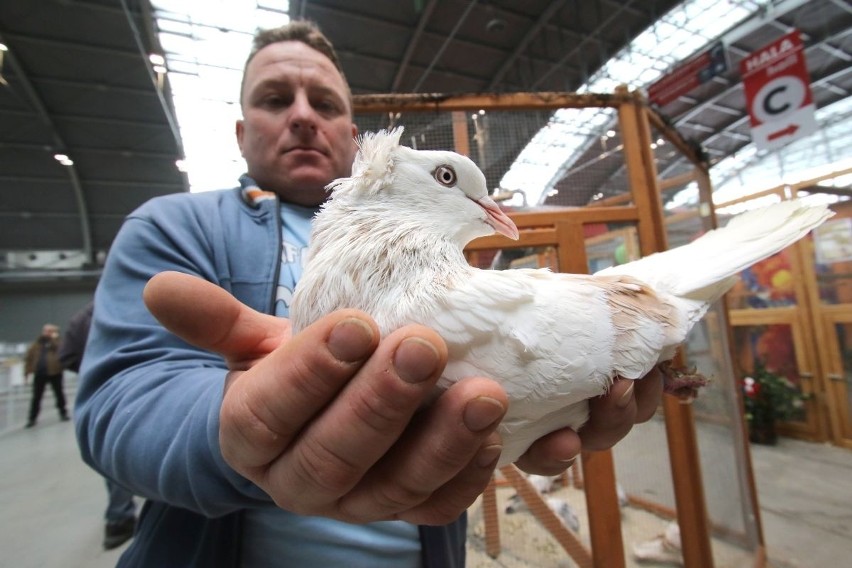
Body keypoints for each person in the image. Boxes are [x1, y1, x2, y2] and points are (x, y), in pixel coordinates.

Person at [74, 20, 662, 567]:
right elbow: (114, 404)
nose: (303, 116)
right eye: (276, 99)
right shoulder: (172, 225)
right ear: (240, 130)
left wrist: (548, 410)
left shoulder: (438, 238)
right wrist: (236, 430)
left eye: (324, 103)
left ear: (355, 135)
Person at [59, 301, 137, 550]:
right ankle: (120, 517)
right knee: (124, 453)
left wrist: (90, 370)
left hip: (96, 396)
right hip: (128, 390)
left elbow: (66, 356)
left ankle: (118, 518)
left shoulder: (79, 319)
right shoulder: (126, 311)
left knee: (109, 455)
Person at [24, 323, 68, 427]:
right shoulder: (37, 344)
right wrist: (27, 372)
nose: (46, 333)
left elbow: (62, 351)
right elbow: (29, 357)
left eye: (49, 331)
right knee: (36, 397)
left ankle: (63, 413)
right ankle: (32, 418)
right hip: (40, 373)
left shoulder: (58, 342)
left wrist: (54, 339)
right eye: (45, 331)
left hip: (55, 372)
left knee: (59, 393)